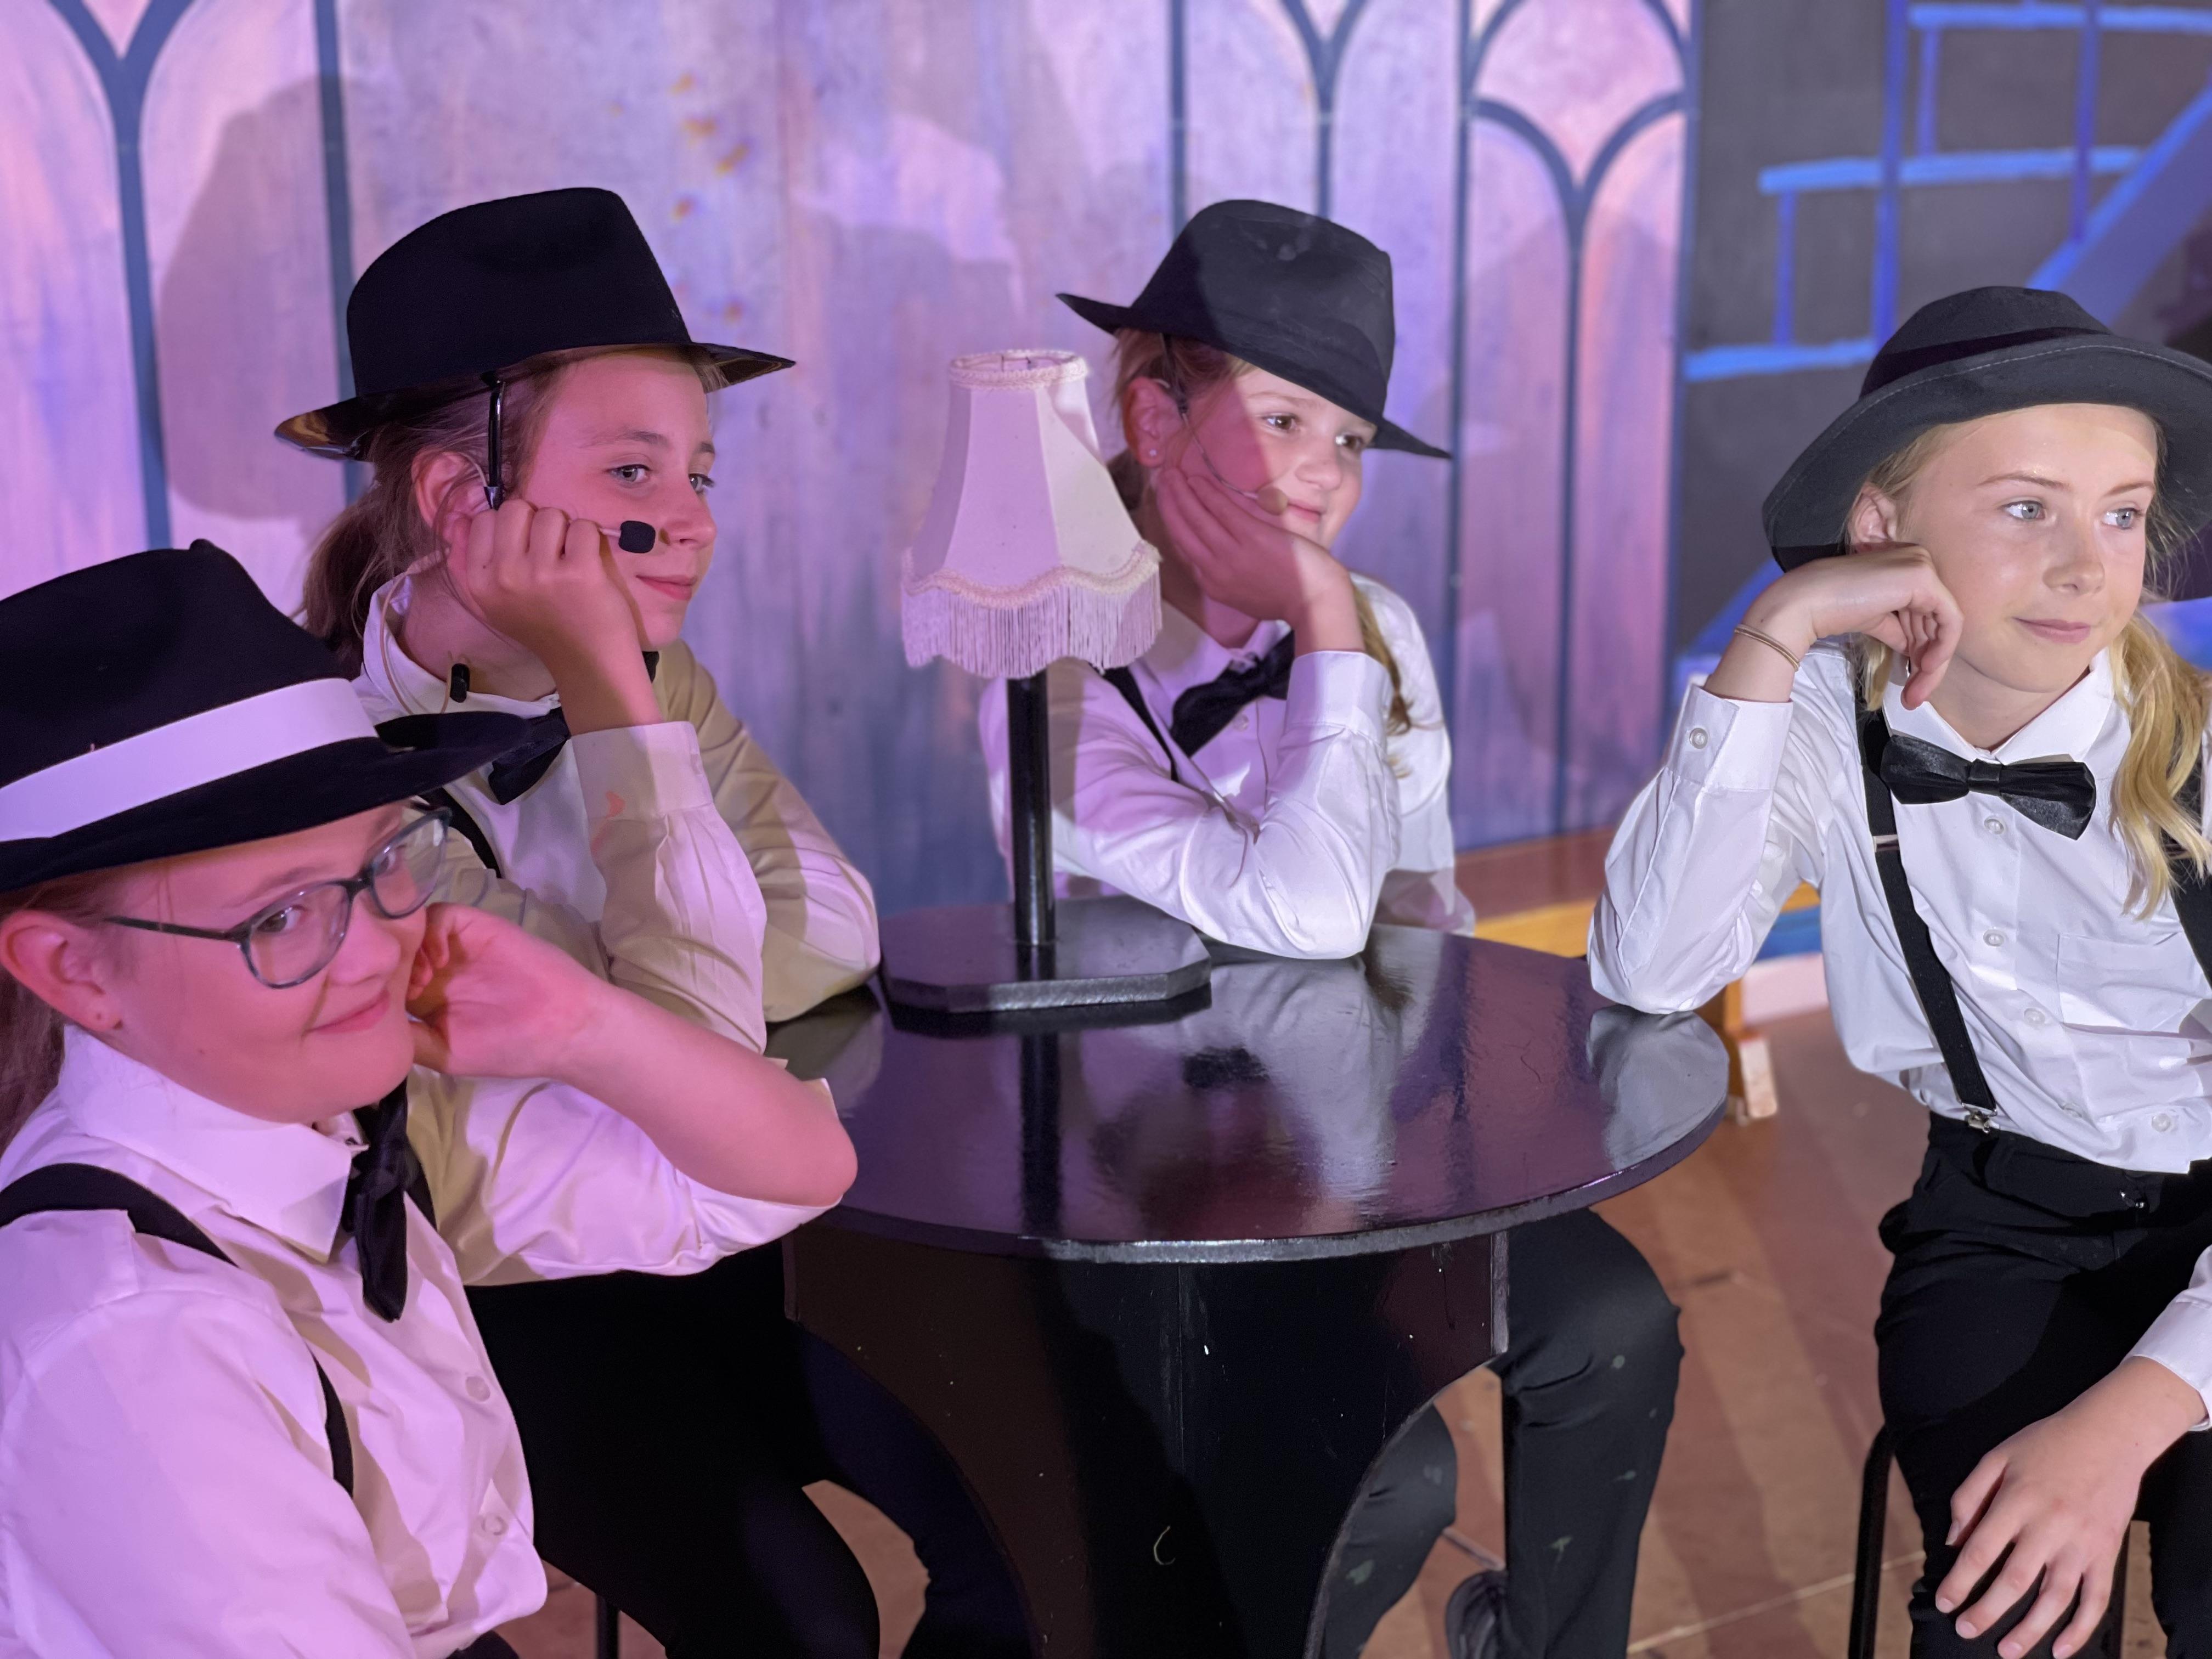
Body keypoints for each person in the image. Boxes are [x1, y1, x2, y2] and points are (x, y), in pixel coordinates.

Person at [280, 189, 1025, 1656]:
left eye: (699, 469)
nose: (695, 521)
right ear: (460, 498)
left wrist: (622, 967)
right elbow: (694, 1043)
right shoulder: (323, 780)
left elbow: (837, 924)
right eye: (635, 470)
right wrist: (611, 692)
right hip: (520, 1301)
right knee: (804, 1618)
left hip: (743, 1223)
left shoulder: (658, 675)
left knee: (1025, 1515)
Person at [991, 198, 1683, 1659]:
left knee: (1613, 1323)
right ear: (1153, 415)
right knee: (1388, 1482)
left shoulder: (1377, 627)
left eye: (1350, 440)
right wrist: (1317, 615)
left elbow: (1423, 917)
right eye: (1284, 419)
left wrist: (1451, 1141)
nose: (1323, 473)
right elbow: (1310, 912)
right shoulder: (1050, 650)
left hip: (1362, 1147)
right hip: (1163, 1194)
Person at [0, 544, 856, 1654]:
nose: (374, 951)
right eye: (279, 918)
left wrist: (584, 1025)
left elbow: (783, 1175)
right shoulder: (135, 1344)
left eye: (384, 863)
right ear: (72, 970)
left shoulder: (327, 1130)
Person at [1590, 286, 2212, 1658]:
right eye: (2027, 508)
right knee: (2005, 1611)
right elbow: (1653, 968)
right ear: (1882, 527)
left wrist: (2131, 1416)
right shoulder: (1824, 718)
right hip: (2000, 1219)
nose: (2086, 567)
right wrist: (1775, 632)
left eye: (2120, 515)